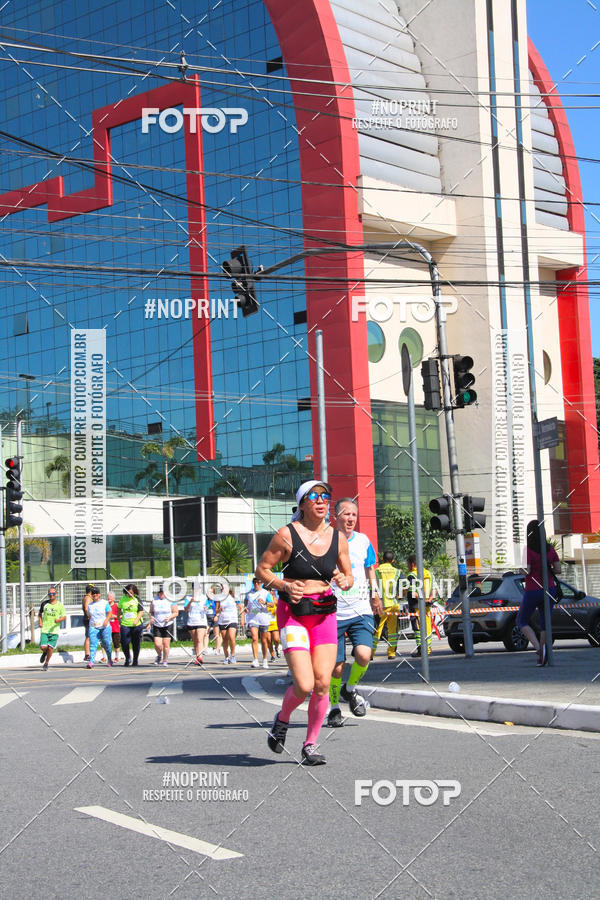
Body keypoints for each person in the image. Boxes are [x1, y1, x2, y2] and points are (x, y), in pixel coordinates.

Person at [256, 480, 353, 766]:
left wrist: (343, 580)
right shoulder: (286, 535)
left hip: (324, 614)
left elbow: (349, 578)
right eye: (315, 496)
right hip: (294, 615)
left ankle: (310, 744)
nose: (322, 500)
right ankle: (282, 720)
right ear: (302, 503)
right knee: (304, 684)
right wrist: (285, 586)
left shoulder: (338, 538)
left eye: (326, 496)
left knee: (323, 683)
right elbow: (262, 570)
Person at [327, 498, 382, 728]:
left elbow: (370, 569)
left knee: (364, 655)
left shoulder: (363, 540)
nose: (350, 519)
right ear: (336, 516)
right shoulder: (326, 540)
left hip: (361, 610)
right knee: (336, 666)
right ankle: (334, 708)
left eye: (354, 515)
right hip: (332, 612)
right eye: (346, 514)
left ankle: (349, 690)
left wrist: (376, 594)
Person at [517, 519, 561, 666]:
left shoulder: (527, 550)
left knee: (522, 620)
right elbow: (558, 570)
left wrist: (519, 568)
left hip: (533, 589)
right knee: (544, 622)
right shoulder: (549, 549)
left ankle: (538, 649)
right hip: (549, 588)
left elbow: (526, 570)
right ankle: (543, 652)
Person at [372, 551, 402, 659]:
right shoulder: (397, 571)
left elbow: (371, 587)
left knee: (377, 630)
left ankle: (371, 653)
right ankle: (391, 653)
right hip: (393, 605)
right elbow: (404, 585)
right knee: (393, 630)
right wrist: (400, 595)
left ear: (382, 560)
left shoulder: (376, 571)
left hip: (380, 606)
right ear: (392, 561)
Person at [405, 555, 433, 657]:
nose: (407, 566)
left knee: (417, 629)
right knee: (427, 627)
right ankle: (428, 649)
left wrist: (422, 600)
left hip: (416, 606)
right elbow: (434, 589)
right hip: (427, 606)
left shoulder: (412, 575)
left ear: (412, 564)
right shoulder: (428, 573)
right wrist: (429, 599)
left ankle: (421, 650)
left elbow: (413, 593)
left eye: (408, 564)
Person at [244, 577, 273, 668]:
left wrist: (264, 603)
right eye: (255, 582)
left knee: (264, 640)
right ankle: (255, 660)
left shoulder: (265, 593)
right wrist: (246, 607)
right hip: (252, 617)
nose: (257, 584)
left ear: (261, 583)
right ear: (253, 583)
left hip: (263, 617)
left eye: (259, 582)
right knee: (254, 638)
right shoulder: (249, 593)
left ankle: (264, 660)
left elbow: (272, 604)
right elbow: (246, 601)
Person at [38, 587, 66, 671]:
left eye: (53, 594)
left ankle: (46, 663)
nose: (51, 595)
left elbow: (64, 617)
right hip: (45, 629)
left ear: (56, 594)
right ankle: (44, 652)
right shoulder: (44, 604)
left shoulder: (60, 605)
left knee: (50, 648)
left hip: (54, 630)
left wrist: (58, 620)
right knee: (43, 647)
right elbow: (39, 614)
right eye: (50, 594)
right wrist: (40, 622)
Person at [150, 586, 178, 666]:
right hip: (157, 624)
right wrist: (151, 618)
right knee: (157, 644)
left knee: (166, 644)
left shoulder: (171, 600)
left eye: (163, 593)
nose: (162, 595)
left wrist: (169, 618)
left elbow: (176, 612)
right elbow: (151, 612)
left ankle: (165, 660)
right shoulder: (154, 600)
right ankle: (159, 655)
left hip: (167, 624)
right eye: (160, 593)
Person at [86, 587, 113, 669]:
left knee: (106, 643)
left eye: (96, 593)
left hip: (104, 626)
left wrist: (106, 620)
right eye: (93, 594)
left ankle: (109, 659)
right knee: (93, 644)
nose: (95, 595)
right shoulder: (90, 605)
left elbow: (109, 613)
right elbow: (89, 616)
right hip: (94, 627)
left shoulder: (104, 603)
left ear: (99, 594)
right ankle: (91, 661)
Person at [118, 583, 144, 666]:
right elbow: (119, 608)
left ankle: (135, 659)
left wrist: (136, 620)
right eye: (128, 592)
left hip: (136, 625)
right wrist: (119, 618)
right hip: (125, 624)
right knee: (124, 642)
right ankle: (127, 658)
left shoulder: (137, 599)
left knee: (135, 643)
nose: (130, 594)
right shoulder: (123, 599)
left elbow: (141, 611)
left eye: (131, 593)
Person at [183, 589, 211, 664]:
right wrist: (191, 601)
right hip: (192, 621)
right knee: (195, 641)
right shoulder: (188, 598)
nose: (196, 591)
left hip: (201, 621)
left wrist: (206, 608)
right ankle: (197, 656)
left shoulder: (203, 597)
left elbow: (208, 607)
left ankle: (200, 657)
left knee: (199, 639)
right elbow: (186, 609)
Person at [215, 586, 242, 664]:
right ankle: (226, 657)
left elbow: (241, 607)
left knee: (232, 637)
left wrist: (242, 618)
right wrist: (219, 610)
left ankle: (233, 655)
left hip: (232, 620)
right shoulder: (219, 598)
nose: (224, 589)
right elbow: (216, 611)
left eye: (225, 588)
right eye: (222, 588)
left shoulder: (234, 597)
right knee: (225, 639)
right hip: (223, 620)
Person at [266, 590, 281, 660]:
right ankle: (272, 655)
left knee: (276, 639)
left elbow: (281, 607)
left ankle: (277, 647)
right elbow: (256, 610)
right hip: (266, 623)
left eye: (269, 591)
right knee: (268, 640)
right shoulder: (261, 600)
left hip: (274, 622)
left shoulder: (274, 599)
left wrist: (277, 610)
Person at [81, 583, 94, 662]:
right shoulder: (88, 598)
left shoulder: (88, 597)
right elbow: (86, 608)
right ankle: (87, 654)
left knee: (90, 636)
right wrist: (89, 616)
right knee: (88, 636)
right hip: (88, 619)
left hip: (88, 618)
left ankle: (89, 653)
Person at [107, 592, 121, 663]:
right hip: (107, 626)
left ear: (113, 598)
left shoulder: (116, 606)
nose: (109, 598)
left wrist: (114, 616)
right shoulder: (106, 606)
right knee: (106, 642)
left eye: (110, 597)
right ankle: (105, 657)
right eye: (108, 597)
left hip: (115, 627)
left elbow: (121, 616)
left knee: (116, 643)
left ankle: (117, 656)